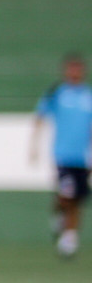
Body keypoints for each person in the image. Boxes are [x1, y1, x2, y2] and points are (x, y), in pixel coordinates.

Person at [32, 53, 91, 259]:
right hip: (63, 155)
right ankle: (59, 216)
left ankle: (69, 239)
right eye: (71, 68)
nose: (75, 72)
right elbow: (40, 115)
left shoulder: (88, 96)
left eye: (78, 69)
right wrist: (34, 146)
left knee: (78, 199)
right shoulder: (57, 93)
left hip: (83, 157)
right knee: (66, 195)